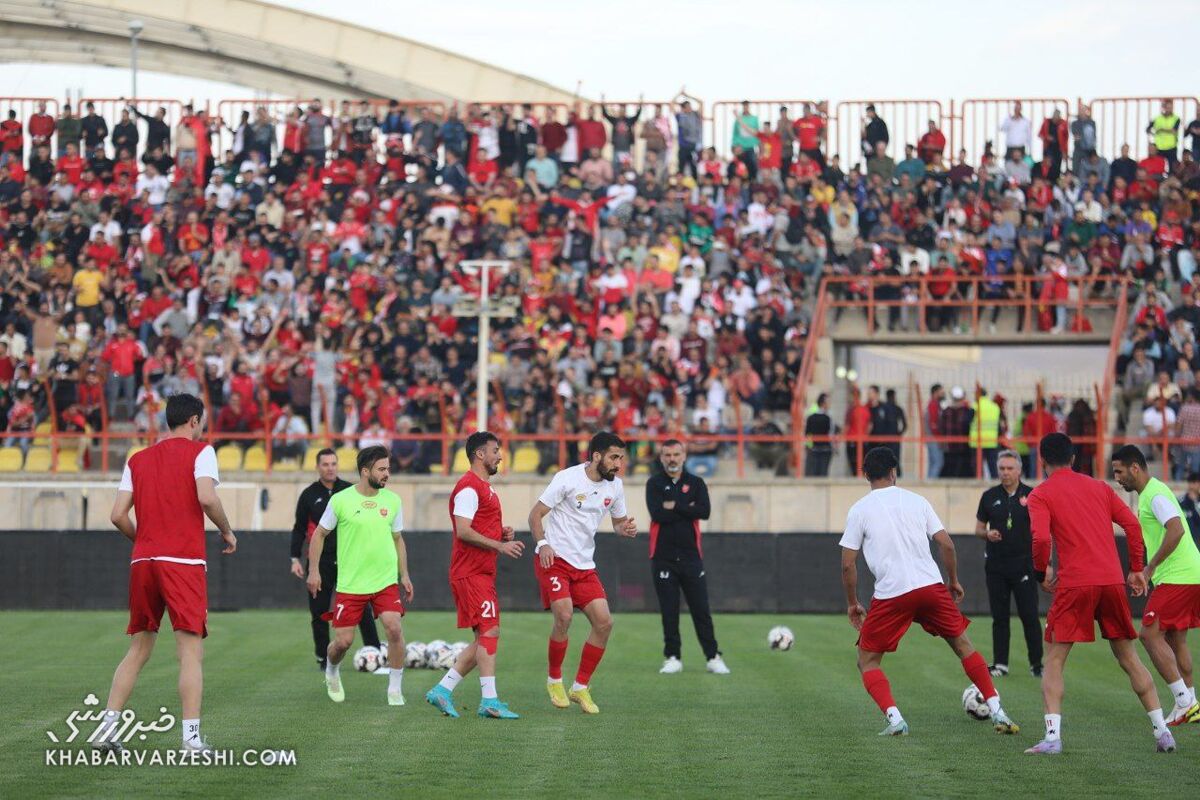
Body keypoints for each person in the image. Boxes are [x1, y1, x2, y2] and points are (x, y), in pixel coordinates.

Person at [840, 447, 1019, 736]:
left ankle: (895, 719)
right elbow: (946, 544)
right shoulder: (917, 500)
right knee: (963, 646)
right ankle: (998, 711)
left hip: (892, 594)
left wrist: (852, 603)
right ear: (894, 472)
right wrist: (953, 580)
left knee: (867, 660)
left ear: (865, 475)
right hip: (930, 587)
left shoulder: (860, 509)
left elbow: (848, 565)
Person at [94, 394, 237, 753]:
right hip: (183, 561)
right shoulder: (201, 451)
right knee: (190, 653)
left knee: (139, 649)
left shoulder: (137, 459)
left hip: (143, 561)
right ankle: (190, 739)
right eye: (200, 420)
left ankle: (106, 731)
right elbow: (206, 498)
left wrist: (142, 540)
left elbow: (117, 515)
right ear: (193, 421)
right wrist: (227, 529)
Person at [1024, 433, 1173, 754]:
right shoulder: (1100, 488)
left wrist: (1041, 572)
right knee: (1129, 657)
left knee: (1054, 658)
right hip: (1110, 582)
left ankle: (1052, 738)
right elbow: (1132, 526)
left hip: (1075, 583)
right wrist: (1136, 568)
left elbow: (1039, 539)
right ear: (1074, 459)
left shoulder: (1041, 494)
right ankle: (1162, 731)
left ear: (1042, 461)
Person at [528, 431, 638, 714]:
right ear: (597, 456)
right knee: (564, 615)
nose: (618, 464)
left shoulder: (616, 487)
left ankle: (580, 687)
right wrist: (543, 545)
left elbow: (618, 523)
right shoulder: (567, 478)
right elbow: (535, 515)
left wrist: (624, 529)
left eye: (622, 459)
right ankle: (554, 680)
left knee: (604, 623)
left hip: (584, 566)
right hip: (555, 559)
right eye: (614, 458)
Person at [425, 431, 524, 720]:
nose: (499, 456)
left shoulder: (484, 488)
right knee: (490, 632)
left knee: (485, 636)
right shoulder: (469, 487)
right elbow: (464, 530)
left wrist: (500, 532)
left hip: (480, 572)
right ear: (480, 454)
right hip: (470, 572)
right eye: (495, 451)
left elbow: (477, 526)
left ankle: (442, 691)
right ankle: (489, 701)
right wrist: (500, 545)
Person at [307, 445, 412, 706]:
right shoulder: (341, 500)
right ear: (365, 471)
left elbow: (398, 539)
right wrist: (313, 570)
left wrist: (405, 575)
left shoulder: (393, 501)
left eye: (388, 468)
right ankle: (332, 671)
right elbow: (319, 534)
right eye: (382, 469)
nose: (387, 474)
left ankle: (395, 689)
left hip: (384, 580)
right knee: (343, 642)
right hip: (351, 584)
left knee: (394, 628)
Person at [1111, 445, 1200, 726]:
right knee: (1175, 639)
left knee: (1148, 635)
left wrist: (1148, 570)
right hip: (1187, 574)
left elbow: (1176, 529)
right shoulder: (1155, 491)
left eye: (1119, 471)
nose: (1117, 478)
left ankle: (1186, 701)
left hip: (1179, 575)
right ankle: (1190, 704)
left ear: (1135, 468)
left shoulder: (1154, 494)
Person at [289, 448, 381, 671]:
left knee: (362, 607)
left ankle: (375, 653)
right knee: (319, 611)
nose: (330, 468)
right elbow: (299, 528)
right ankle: (323, 658)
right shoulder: (309, 495)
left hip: (350, 560)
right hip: (320, 562)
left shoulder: (350, 490)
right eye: (325, 464)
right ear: (317, 467)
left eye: (333, 464)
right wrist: (295, 558)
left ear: (337, 465)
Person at [646, 440, 728, 675]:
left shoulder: (696, 482)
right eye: (667, 454)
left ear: (684, 456)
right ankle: (673, 657)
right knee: (669, 611)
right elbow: (658, 514)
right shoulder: (654, 483)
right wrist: (685, 506)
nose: (672, 458)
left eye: (676, 454)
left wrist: (675, 505)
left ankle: (713, 656)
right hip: (662, 557)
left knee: (701, 610)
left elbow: (704, 511)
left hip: (692, 557)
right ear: (661, 458)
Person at [974, 450, 1043, 678]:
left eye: (1009, 468)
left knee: (1030, 616)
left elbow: (1041, 531)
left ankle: (1037, 664)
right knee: (999, 617)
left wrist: (1046, 562)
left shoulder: (1032, 496)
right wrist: (987, 534)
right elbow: (978, 529)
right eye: (1002, 468)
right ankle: (1001, 664)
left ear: (1019, 470)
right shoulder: (989, 496)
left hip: (1024, 566)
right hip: (996, 566)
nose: (1005, 472)